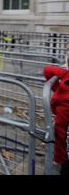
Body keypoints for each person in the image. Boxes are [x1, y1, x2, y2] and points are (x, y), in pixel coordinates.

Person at [44, 41, 69, 175]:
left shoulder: (64, 73)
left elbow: (46, 70)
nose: (67, 53)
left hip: (63, 112)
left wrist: (56, 89)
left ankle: (60, 159)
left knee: (61, 132)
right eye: (67, 49)